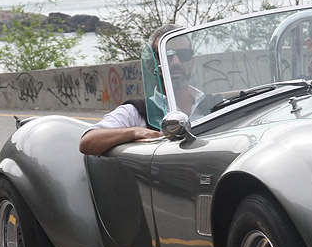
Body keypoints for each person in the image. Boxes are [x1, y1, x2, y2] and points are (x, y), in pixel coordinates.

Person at [79, 24, 216, 155]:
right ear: (152, 65)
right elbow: (88, 141)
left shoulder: (215, 105)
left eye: (184, 54)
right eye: (167, 55)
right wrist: (134, 132)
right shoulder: (136, 112)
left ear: (192, 63)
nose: (176, 62)